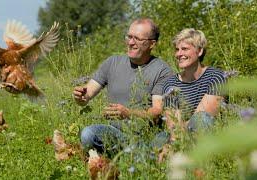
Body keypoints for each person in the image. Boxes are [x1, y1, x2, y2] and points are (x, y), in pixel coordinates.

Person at [73, 18, 173, 155]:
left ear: (151, 44)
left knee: (162, 142)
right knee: (88, 134)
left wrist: (128, 113)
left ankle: (136, 156)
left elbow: (157, 112)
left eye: (137, 39)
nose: (131, 42)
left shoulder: (162, 70)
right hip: (116, 134)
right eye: (129, 37)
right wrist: (80, 96)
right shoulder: (113, 62)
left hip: (147, 136)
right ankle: (127, 156)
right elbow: (86, 95)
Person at [162, 28, 226, 141]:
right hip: (177, 138)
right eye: (177, 49)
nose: (179, 54)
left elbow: (202, 120)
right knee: (159, 140)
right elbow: (174, 128)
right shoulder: (171, 84)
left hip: (207, 138)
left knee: (202, 119)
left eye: (185, 49)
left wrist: (181, 128)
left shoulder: (216, 78)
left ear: (200, 51)